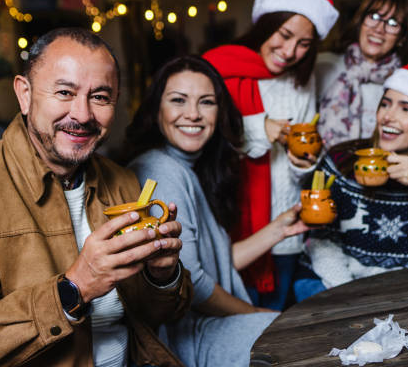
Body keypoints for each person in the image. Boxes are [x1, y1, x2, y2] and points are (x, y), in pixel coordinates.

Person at [0, 28, 192, 367]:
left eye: (101, 97)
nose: (82, 115)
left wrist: (162, 277)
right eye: (65, 92)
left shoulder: (122, 182)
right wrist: (73, 290)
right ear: (25, 94)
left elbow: (160, 315)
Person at [125, 55, 309, 366]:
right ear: (157, 109)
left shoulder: (190, 168)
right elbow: (193, 281)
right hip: (189, 340)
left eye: (206, 102)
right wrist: (254, 314)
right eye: (178, 100)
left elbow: (215, 263)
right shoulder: (160, 169)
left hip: (204, 329)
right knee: (302, 334)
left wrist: (279, 228)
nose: (193, 114)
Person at [203, 0, 339, 310]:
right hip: (230, 224)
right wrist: (259, 129)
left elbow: (301, 167)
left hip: (285, 231)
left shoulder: (301, 82)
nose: (290, 51)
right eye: (285, 34)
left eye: (304, 44)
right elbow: (201, 145)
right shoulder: (219, 67)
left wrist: (301, 159)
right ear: (266, 24)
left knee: (274, 325)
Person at [295, 65, 408, 302]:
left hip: (403, 293)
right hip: (331, 284)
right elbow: (320, 241)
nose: (387, 116)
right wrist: (351, 296)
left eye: (406, 109)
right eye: (385, 103)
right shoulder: (341, 160)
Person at [317, 0, 408, 148]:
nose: (379, 29)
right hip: (321, 170)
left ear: (402, 38)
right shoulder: (323, 66)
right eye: (374, 16)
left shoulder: (406, 86)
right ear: (360, 22)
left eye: (392, 23)